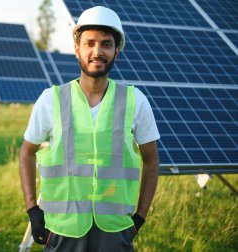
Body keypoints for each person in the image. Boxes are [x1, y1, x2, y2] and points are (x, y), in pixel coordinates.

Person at [19, 6, 160, 252]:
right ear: (77, 49)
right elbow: (26, 152)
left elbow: (151, 161)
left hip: (115, 231)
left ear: (117, 51)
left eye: (106, 44)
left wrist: (139, 219)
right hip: (62, 229)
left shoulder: (136, 101)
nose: (97, 51)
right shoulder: (50, 99)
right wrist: (33, 209)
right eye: (89, 43)